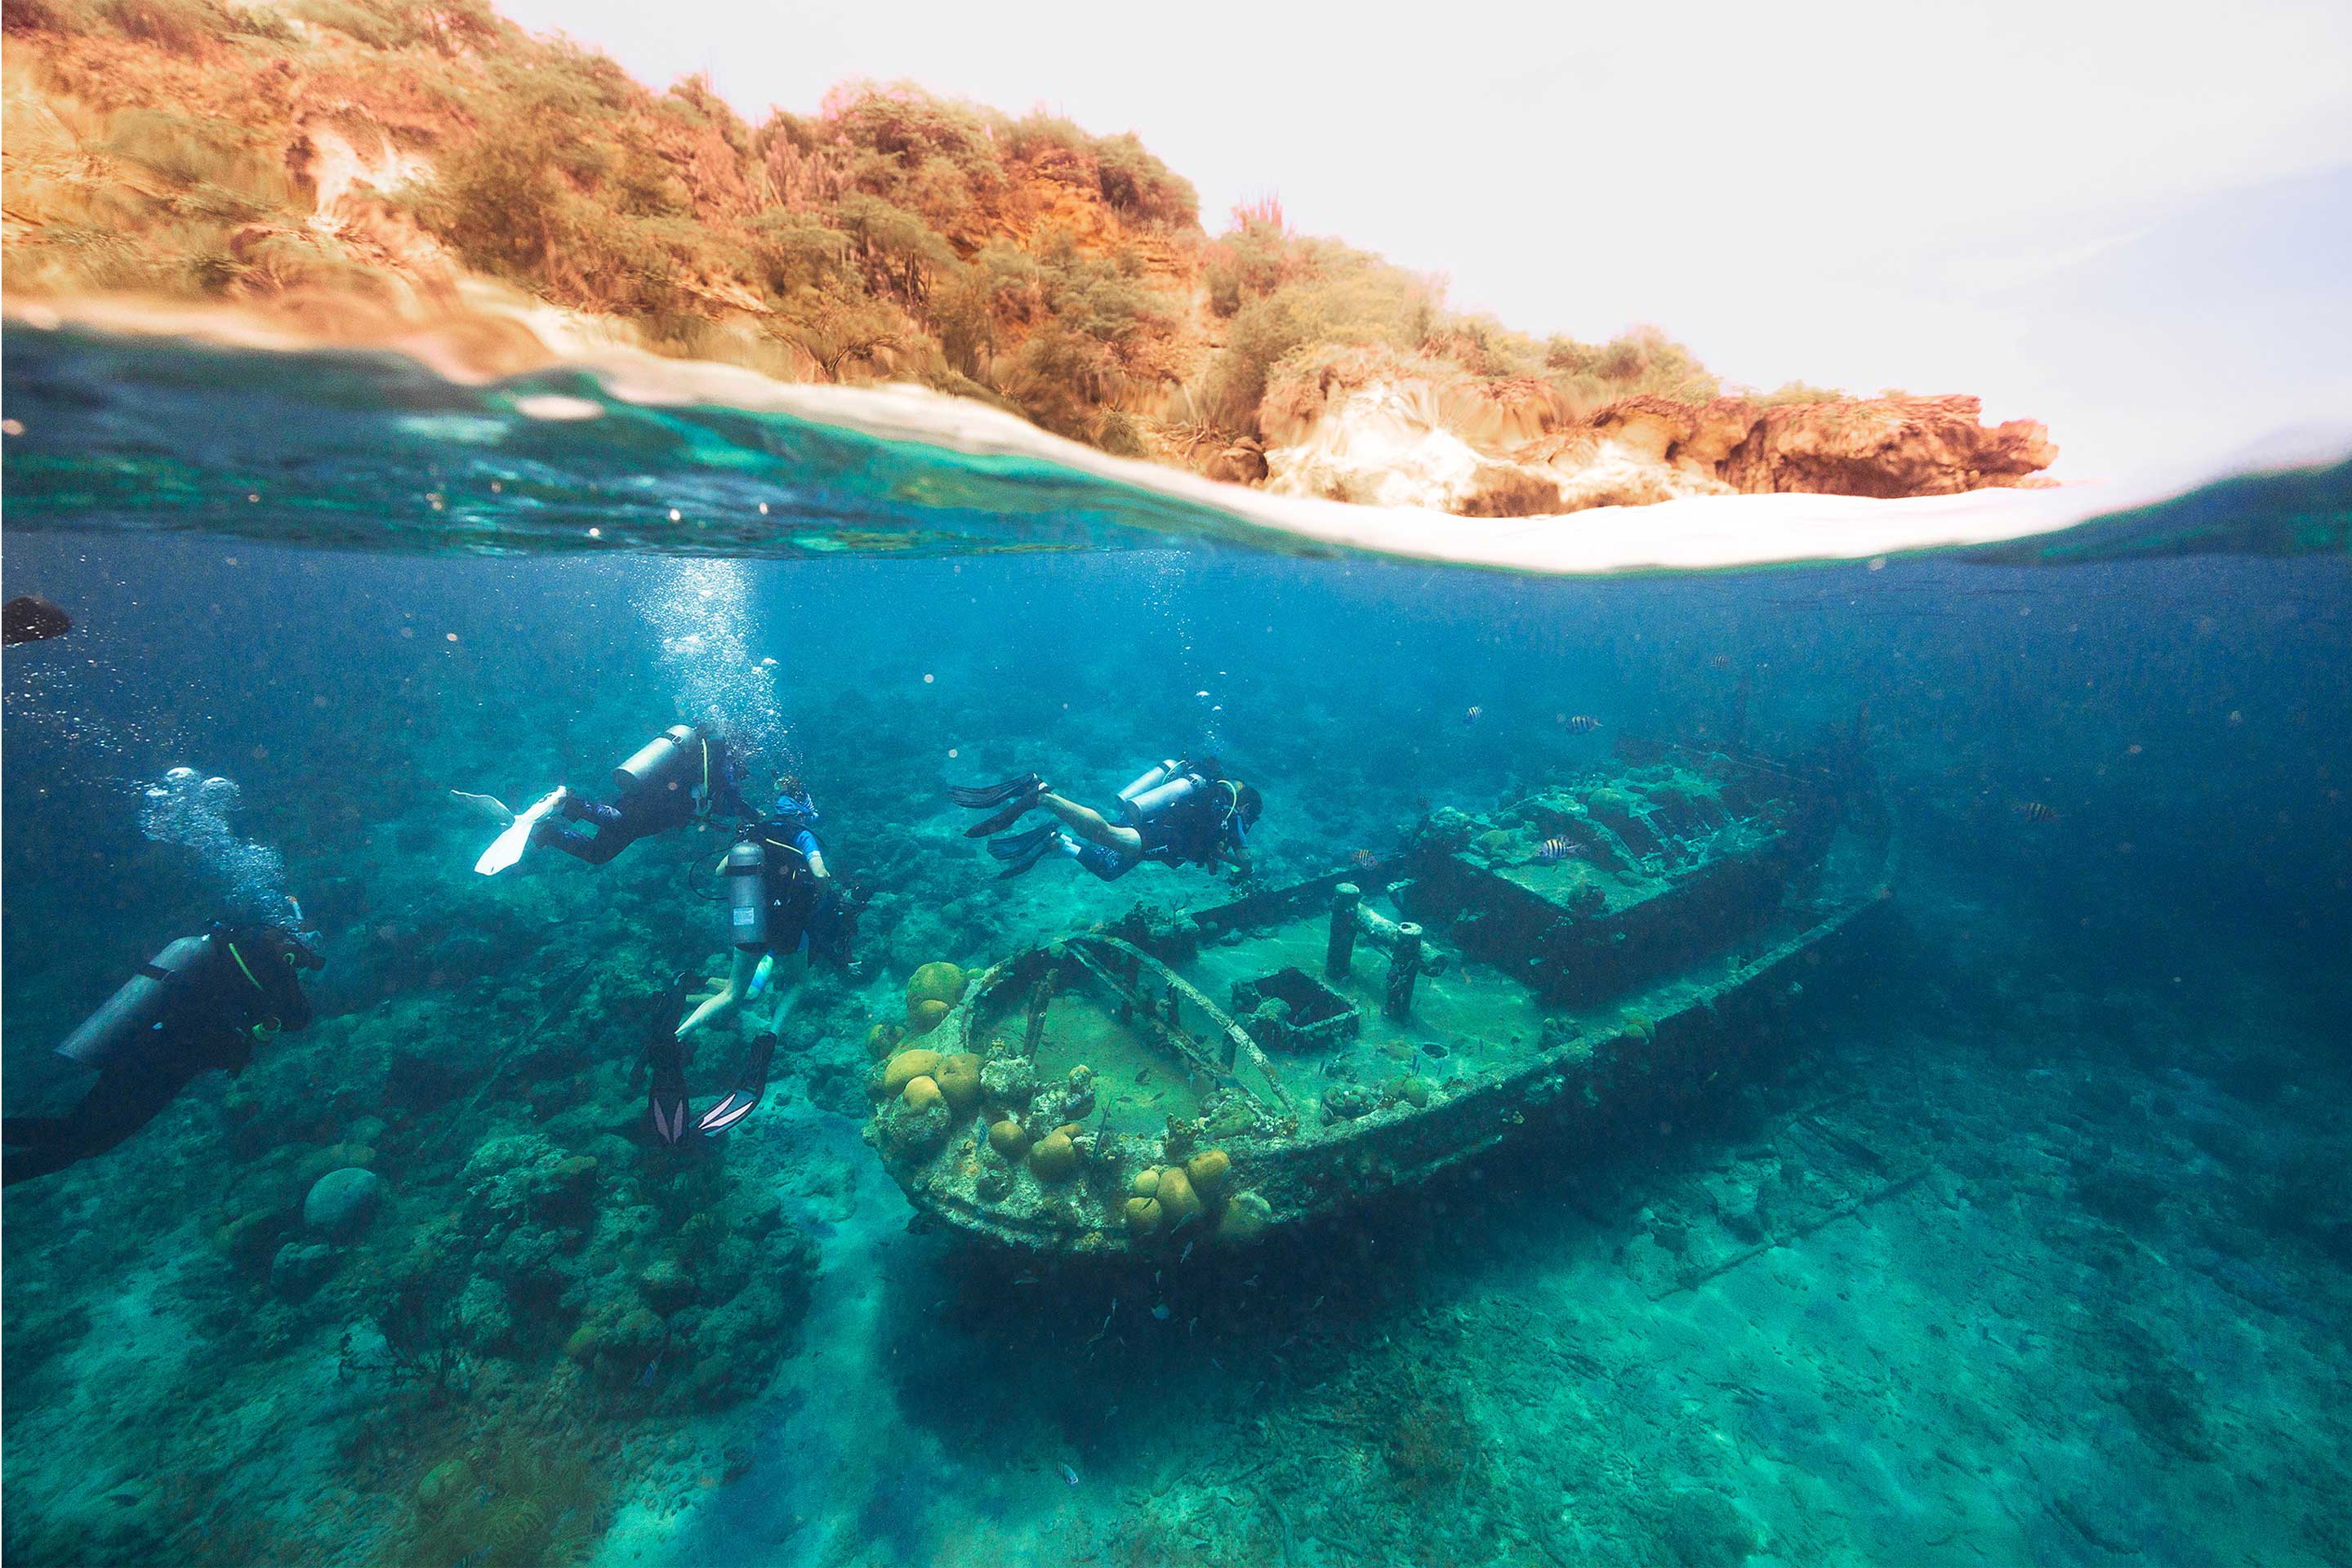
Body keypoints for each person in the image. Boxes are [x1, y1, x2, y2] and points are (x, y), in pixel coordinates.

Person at [3, 921, 324, 1185]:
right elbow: (299, 1016)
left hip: (155, 1056)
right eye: (301, 956)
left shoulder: (236, 957)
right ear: (285, 941)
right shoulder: (256, 958)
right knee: (80, 1140)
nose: (300, 967)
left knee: (82, 1136)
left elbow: (257, 1014)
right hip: (158, 1061)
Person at [455, 719, 754, 872]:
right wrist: (755, 816)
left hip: (651, 806)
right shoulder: (721, 760)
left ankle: (543, 830)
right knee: (622, 823)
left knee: (599, 855)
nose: (744, 769)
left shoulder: (708, 760)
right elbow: (731, 797)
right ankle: (568, 802)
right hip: (655, 806)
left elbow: (722, 805)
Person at [674, 775, 840, 1045]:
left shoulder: (756, 831)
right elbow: (820, 874)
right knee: (798, 982)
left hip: (750, 922)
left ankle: (679, 1033)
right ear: (801, 807)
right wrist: (817, 898)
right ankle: (772, 1035)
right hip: (787, 924)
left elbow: (719, 872)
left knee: (731, 994)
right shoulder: (801, 834)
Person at [950, 755, 1261, 882]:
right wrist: (1238, 862)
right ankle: (1042, 794)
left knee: (1109, 869)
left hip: (1159, 824)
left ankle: (1057, 841)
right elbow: (1245, 862)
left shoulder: (1212, 803)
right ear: (1246, 807)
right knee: (1105, 835)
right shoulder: (1232, 816)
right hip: (1165, 836)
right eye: (1251, 816)